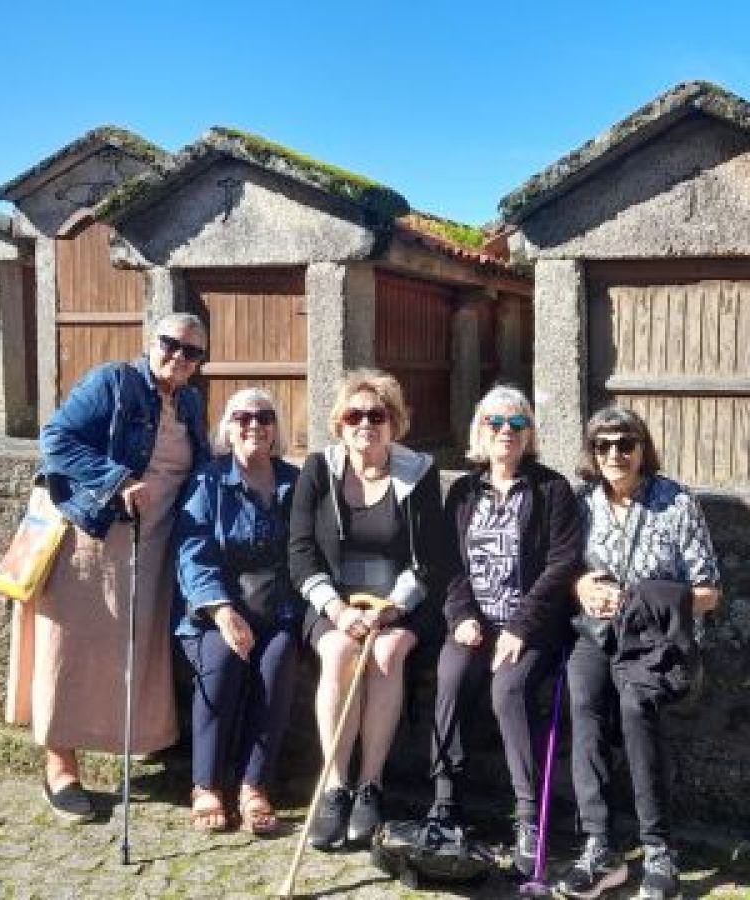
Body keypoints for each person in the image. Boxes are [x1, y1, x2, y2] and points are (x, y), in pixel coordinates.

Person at [6, 313, 210, 823]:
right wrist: (118, 480)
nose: (179, 357)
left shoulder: (189, 402)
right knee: (70, 648)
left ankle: (134, 738)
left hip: (156, 544)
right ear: (152, 342)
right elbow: (56, 439)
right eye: (171, 345)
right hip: (93, 537)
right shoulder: (112, 383)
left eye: (192, 353)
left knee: (136, 651)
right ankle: (60, 764)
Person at [556, 406, 721, 900]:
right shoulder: (582, 502)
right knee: (582, 699)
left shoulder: (676, 503)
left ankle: (658, 849)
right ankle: (600, 846)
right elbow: (559, 569)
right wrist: (581, 584)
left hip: (656, 641)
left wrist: (646, 600)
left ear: (642, 449)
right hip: (596, 633)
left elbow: (710, 591)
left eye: (625, 444)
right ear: (591, 453)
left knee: (635, 706)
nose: (614, 455)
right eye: (602, 446)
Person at [287, 368, 446, 850]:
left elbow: (427, 560)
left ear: (393, 423)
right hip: (333, 600)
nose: (365, 424)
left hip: (398, 602)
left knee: (386, 654)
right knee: (338, 654)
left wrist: (393, 609)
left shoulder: (419, 473)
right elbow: (300, 551)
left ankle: (370, 786)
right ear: (340, 423)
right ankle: (336, 785)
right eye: (354, 415)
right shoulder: (319, 470)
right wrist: (335, 610)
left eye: (376, 415)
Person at [428, 385, 581, 877]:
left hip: (529, 628)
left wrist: (519, 626)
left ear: (529, 433)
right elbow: (449, 565)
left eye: (517, 424)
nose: (506, 432)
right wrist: (462, 616)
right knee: (450, 678)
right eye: (495, 423)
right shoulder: (463, 492)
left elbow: (561, 564)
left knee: (507, 691)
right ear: (479, 431)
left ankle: (527, 815)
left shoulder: (552, 490)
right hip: (474, 622)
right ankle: (446, 804)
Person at [174, 388, 301, 835]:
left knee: (280, 657)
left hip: (277, 610)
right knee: (223, 659)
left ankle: (254, 785)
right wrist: (224, 613)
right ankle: (206, 783)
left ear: (275, 428)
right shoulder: (208, 481)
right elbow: (194, 554)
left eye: (264, 417)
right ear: (227, 429)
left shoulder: (294, 481)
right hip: (216, 611)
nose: (254, 425)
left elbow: (306, 551)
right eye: (242, 417)